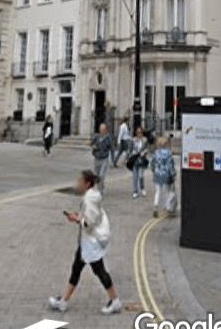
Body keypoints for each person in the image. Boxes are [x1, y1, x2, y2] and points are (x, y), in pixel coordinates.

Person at [48, 169, 122, 314]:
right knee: (77, 268)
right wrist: (79, 216)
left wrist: (76, 219)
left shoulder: (90, 198)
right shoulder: (91, 195)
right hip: (87, 242)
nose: (78, 184)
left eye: (80, 181)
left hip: (91, 243)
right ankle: (63, 301)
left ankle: (115, 301)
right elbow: (89, 217)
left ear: (87, 183)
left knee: (99, 271)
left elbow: (90, 223)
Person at [150, 135, 176, 218]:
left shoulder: (156, 153)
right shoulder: (168, 153)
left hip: (157, 174)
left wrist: (153, 170)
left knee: (158, 192)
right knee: (167, 192)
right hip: (166, 174)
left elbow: (152, 163)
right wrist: (173, 174)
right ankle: (168, 207)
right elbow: (170, 165)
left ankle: (155, 207)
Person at [127, 126, 148, 198]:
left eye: (141, 132)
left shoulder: (145, 140)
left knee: (141, 176)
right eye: (138, 132)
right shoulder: (133, 140)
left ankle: (142, 188)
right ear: (136, 133)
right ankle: (135, 191)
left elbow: (147, 149)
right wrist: (129, 156)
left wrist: (144, 152)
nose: (139, 134)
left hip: (141, 160)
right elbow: (130, 150)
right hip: (134, 160)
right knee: (135, 176)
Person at [90, 123, 113, 189]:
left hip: (104, 159)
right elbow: (91, 143)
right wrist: (93, 146)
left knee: (101, 175)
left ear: (106, 130)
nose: (102, 131)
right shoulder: (96, 136)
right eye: (101, 129)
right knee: (97, 176)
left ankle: (100, 192)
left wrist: (113, 160)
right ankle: (101, 185)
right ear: (99, 129)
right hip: (96, 158)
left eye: (104, 129)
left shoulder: (108, 138)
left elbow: (112, 148)